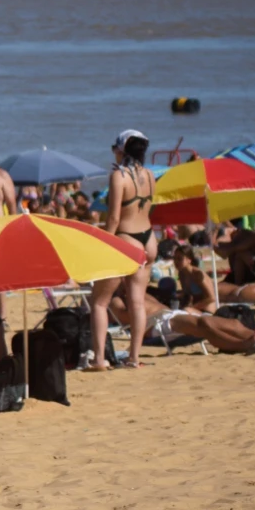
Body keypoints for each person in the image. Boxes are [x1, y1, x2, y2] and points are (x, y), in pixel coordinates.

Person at [92, 130, 155, 371]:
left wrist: (104, 243)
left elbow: (114, 218)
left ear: (121, 150)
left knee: (99, 302)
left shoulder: (118, 176)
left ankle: (99, 360)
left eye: (114, 148)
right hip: (149, 240)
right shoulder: (150, 175)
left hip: (127, 239)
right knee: (137, 303)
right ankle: (134, 358)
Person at [147, 305, 255, 354]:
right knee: (205, 323)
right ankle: (245, 345)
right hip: (159, 323)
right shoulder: (131, 299)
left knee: (231, 323)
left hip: (171, 315)